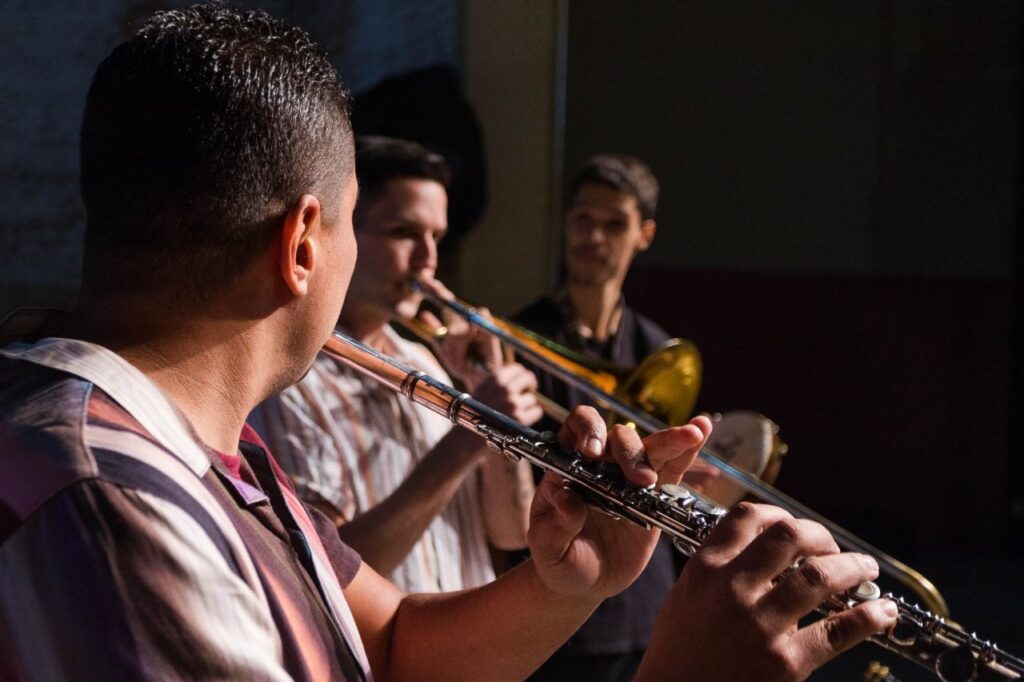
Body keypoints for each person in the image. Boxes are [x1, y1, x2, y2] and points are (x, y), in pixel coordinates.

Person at [0, 5, 897, 681]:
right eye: (359, 222)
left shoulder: (203, 451)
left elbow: (389, 647)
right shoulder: (114, 504)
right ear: (303, 243)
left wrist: (565, 587)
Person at [252, 135, 541, 592]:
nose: (428, 261)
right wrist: (468, 435)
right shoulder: (289, 380)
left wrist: (488, 399)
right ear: (339, 232)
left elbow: (512, 530)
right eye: (403, 233)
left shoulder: (425, 361)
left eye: (437, 238)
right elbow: (329, 575)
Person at [514, 153, 718, 681]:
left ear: (644, 234)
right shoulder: (520, 336)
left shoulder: (659, 353)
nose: (594, 237)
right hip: (553, 596)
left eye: (614, 224)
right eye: (583, 219)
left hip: (642, 603)